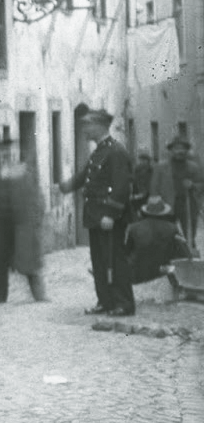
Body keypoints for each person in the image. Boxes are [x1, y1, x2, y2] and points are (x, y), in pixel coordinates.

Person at [58, 108, 134, 316]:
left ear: (99, 126)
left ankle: (124, 303)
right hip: (95, 217)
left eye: (88, 125)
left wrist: (111, 213)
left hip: (109, 218)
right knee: (100, 261)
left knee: (115, 260)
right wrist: (64, 186)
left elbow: (121, 187)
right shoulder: (100, 151)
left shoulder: (116, 151)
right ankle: (106, 301)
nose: (85, 130)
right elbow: (85, 176)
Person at [0, 137, 46, 303]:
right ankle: (0, 294)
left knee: (27, 260)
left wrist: (35, 219)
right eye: (0, 152)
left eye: (8, 152)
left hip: (21, 224)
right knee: (0, 260)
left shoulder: (23, 170)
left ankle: (38, 293)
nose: (4, 155)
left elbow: (36, 197)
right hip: (0, 224)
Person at [125, 195, 192, 296]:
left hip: (137, 273)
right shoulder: (172, 228)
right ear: (163, 212)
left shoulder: (133, 228)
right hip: (161, 272)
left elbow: (126, 252)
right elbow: (186, 254)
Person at [153, 136, 201, 250]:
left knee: (189, 236)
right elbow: (154, 187)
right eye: (176, 148)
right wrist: (155, 204)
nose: (180, 151)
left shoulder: (193, 167)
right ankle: (168, 259)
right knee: (167, 234)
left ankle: (189, 257)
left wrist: (193, 185)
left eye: (183, 148)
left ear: (186, 151)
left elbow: (201, 184)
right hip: (166, 205)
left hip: (188, 206)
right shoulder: (161, 167)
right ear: (171, 150)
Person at [131, 150, 154, 220]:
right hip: (137, 195)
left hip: (149, 195)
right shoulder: (135, 170)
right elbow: (133, 181)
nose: (142, 162)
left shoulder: (152, 170)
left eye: (144, 160)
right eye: (141, 160)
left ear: (148, 161)